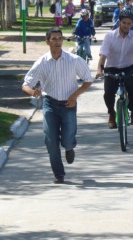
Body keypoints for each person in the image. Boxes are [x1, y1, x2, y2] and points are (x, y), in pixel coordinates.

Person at [21, 27, 93, 184]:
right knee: (50, 140)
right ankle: (59, 173)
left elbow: (88, 79)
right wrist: (32, 92)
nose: (57, 41)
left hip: (69, 103)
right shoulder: (42, 62)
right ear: (47, 42)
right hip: (50, 104)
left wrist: (74, 96)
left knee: (67, 139)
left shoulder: (73, 60)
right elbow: (26, 84)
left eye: (59, 38)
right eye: (53, 39)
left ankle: (69, 147)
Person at [96, 9, 133, 128]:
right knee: (108, 93)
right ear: (119, 22)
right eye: (124, 23)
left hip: (129, 67)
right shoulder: (110, 36)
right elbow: (103, 54)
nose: (126, 26)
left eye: (129, 23)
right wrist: (99, 69)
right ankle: (112, 114)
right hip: (112, 68)